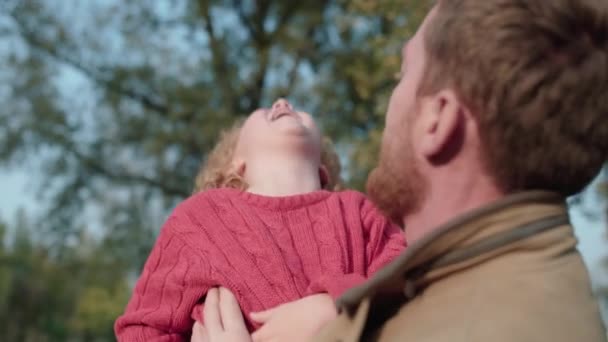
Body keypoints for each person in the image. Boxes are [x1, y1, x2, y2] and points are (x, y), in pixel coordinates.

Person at [192, 0, 608, 341]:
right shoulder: (505, 293)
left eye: (403, 75)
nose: (391, 102)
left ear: (437, 121)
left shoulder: (468, 327)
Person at [114, 98, 406, 341]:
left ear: (323, 169)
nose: (282, 102)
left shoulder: (359, 210)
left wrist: (337, 306)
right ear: (235, 164)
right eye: (265, 110)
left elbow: (408, 279)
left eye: (301, 109)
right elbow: (142, 330)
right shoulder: (197, 218)